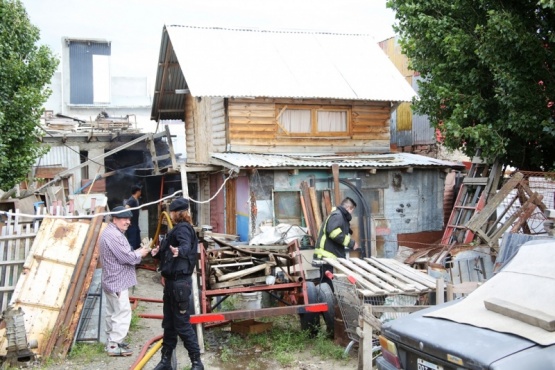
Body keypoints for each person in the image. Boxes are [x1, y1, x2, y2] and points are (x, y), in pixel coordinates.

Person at [151, 197, 204, 370]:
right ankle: (166, 361)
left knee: (181, 323)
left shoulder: (183, 229)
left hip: (180, 284)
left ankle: (197, 362)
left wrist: (179, 250)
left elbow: (186, 246)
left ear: (177, 213)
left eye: (172, 213)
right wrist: (158, 252)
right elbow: (168, 253)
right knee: (169, 323)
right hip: (172, 283)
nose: (171, 216)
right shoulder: (176, 230)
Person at [99, 205, 150, 357]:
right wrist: (141, 252)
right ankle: (114, 346)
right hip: (117, 281)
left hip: (112, 280)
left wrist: (139, 252)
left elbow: (125, 254)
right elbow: (127, 257)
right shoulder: (113, 235)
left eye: (129, 219)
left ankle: (111, 342)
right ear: (115, 219)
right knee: (122, 313)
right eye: (124, 219)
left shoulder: (112, 232)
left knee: (112, 313)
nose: (127, 222)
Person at [312, 197, 359, 287]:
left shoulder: (337, 215)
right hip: (327, 257)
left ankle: (328, 299)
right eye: (352, 210)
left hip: (328, 256)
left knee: (327, 284)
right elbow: (334, 233)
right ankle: (328, 300)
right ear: (349, 208)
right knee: (328, 285)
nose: (352, 213)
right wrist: (351, 243)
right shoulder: (338, 216)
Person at [125, 185, 142, 250]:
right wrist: (127, 220)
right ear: (137, 192)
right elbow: (126, 208)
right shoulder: (131, 200)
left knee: (138, 243)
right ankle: (131, 258)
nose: (140, 193)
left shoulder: (136, 200)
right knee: (132, 243)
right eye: (140, 191)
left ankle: (137, 257)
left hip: (135, 225)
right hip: (131, 226)